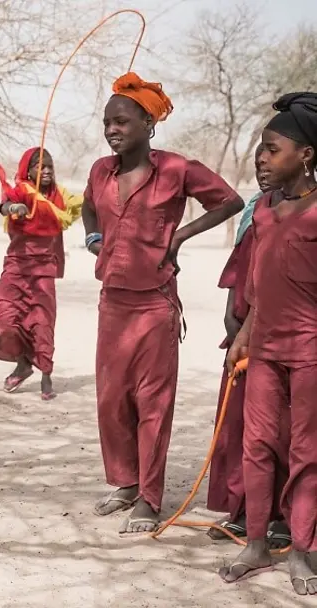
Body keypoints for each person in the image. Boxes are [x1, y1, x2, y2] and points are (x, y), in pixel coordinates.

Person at [80, 73, 244, 535]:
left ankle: (149, 499)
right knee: (112, 400)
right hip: (111, 302)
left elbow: (229, 201)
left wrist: (181, 236)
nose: (112, 130)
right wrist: (93, 237)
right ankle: (126, 483)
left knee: (152, 402)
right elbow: (88, 208)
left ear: (148, 124)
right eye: (107, 122)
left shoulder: (176, 169)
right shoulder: (99, 170)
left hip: (155, 305)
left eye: (122, 122)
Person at [219, 92, 317, 595]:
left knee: (307, 452)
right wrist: (243, 336)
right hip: (263, 353)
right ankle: (256, 544)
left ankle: (302, 551)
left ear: (306, 155)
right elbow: (257, 287)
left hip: (310, 356)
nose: (261, 157)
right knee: (256, 447)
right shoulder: (262, 212)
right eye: (260, 148)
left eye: (273, 148)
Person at [206, 143, 290, 546]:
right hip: (242, 335)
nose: (261, 164)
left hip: (288, 335)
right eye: (258, 156)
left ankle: (286, 517)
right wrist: (231, 317)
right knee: (240, 426)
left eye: (272, 154)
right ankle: (242, 509)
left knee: (286, 430)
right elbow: (239, 267)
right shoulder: (255, 207)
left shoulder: (303, 212)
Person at [0, 147, 83, 400]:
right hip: (16, 268)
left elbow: (82, 203)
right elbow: (4, 204)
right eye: (39, 166)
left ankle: (46, 375)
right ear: (27, 170)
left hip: (43, 271)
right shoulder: (21, 190)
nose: (45, 170)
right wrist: (13, 208)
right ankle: (23, 364)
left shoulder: (60, 197)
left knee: (42, 324)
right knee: (7, 322)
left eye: (49, 167)